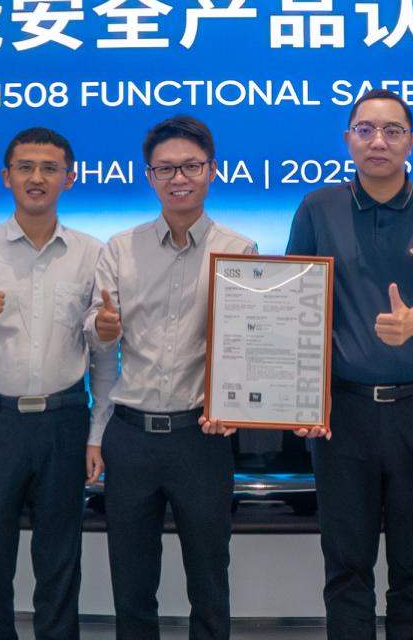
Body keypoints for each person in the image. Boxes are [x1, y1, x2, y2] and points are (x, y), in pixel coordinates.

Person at [286, 88, 413, 640]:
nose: (378, 141)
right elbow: (295, 304)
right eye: (365, 129)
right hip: (344, 415)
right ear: (348, 140)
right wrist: (299, 396)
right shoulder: (318, 208)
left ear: (411, 141)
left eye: (392, 130)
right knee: (347, 567)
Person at [0, 127, 108, 640]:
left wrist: (97, 433)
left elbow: (102, 355)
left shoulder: (91, 253)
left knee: (60, 562)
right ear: (6, 177)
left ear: (69, 179)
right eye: (26, 167)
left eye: (50, 168)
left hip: (64, 420)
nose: (37, 177)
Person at [89, 115, 252, 640]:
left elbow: (251, 346)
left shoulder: (241, 251)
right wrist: (102, 327)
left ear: (212, 171)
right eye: (166, 168)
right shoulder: (119, 248)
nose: (179, 178)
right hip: (131, 436)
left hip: (200, 437)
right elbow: (97, 332)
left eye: (190, 166)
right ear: (149, 176)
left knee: (210, 578)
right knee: (131, 581)